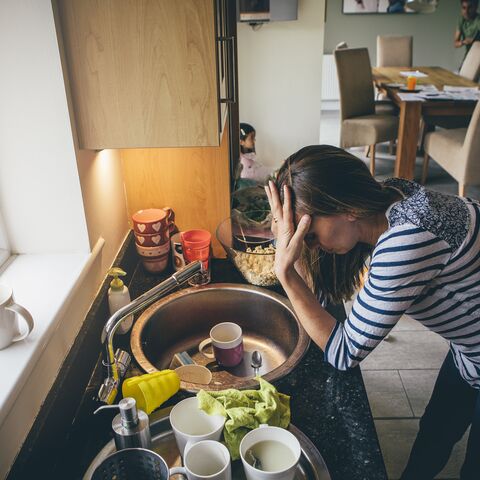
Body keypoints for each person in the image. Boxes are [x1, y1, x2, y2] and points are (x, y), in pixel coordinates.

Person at [264, 145, 480, 480]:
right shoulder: (391, 196)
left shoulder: (405, 240)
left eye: (309, 233)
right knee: (435, 431)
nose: (308, 244)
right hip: (470, 349)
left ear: (347, 208)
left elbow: (343, 351)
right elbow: (321, 298)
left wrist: (286, 273)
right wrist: (291, 236)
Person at [236, 123, 269, 188]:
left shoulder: (248, 156)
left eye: (254, 137)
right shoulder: (244, 161)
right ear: (241, 142)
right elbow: (254, 175)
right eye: (251, 138)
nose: (254, 140)